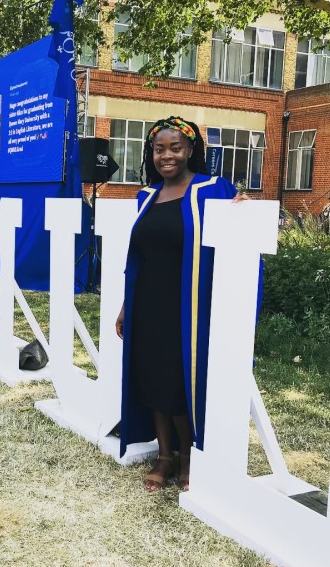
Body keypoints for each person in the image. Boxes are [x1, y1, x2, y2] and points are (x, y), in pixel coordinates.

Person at [115, 116, 247, 492]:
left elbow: (236, 233)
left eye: (175, 148)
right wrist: (127, 305)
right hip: (148, 303)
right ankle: (165, 455)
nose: (166, 156)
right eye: (159, 149)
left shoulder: (212, 189)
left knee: (178, 380)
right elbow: (138, 258)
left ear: (191, 150)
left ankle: (189, 455)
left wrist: (242, 208)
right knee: (152, 377)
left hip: (189, 306)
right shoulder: (147, 196)